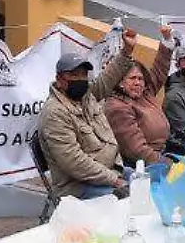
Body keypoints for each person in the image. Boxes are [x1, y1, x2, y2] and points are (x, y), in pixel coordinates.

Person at [39, 29, 139, 199]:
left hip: (111, 170)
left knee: (148, 184)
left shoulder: (86, 95)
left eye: (84, 75)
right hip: (78, 187)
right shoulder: (54, 113)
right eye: (73, 75)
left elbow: (107, 78)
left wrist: (126, 51)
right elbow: (75, 163)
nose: (80, 79)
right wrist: (114, 180)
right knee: (129, 197)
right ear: (59, 80)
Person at [105, 26, 176, 166]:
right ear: (119, 82)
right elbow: (137, 150)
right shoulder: (117, 107)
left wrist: (167, 40)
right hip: (143, 166)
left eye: (140, 78)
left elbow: (159, 69)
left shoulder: (145, 93)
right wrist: (167, 164)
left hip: (164, 153)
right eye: (132, 79)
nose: (138, 83)